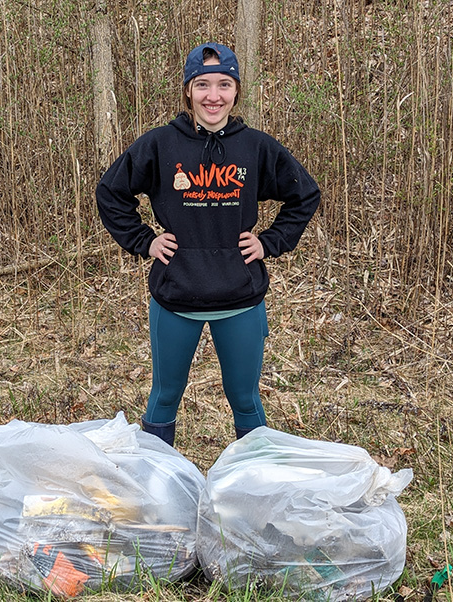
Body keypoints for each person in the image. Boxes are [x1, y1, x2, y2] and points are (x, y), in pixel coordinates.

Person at [96, 42, 320, 446]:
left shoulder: (255, 147)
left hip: (240, 297)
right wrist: (144, 241)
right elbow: (111, 192)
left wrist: (270, 242)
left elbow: (304, 194)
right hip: (176, 295)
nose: (213, 96)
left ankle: (249, 490)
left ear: (236, 90)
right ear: (187, 90)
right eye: (202, 84)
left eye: (223, 84)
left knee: (246, 401)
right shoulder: (161, 144)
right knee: (164, 398)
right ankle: (158, 489)